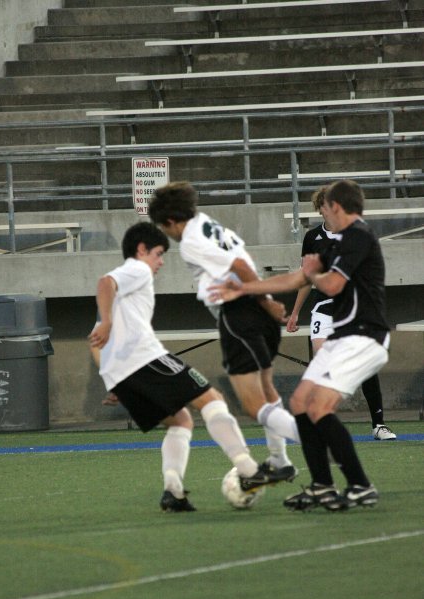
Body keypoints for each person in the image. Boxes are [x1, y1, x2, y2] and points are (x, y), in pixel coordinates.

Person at [209, 180, 390, 511]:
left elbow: (332, 285)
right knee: (301, 402)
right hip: (343, 336)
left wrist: (313, 274)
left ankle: (361, 485)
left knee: (319, 407)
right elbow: (296, 279)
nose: (321, 211)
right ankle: (322, 486)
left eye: (325, 207)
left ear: (336, 207)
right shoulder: (335, 242)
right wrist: (245, 291)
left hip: (366, 336)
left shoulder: (359, 237)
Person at [88, 221, 287, 513]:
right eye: (158, 254)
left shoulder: (124, 294)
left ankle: (173, 492)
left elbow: (94, 340)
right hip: (146, 358)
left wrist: (114, 379)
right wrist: (107, 322)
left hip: (122, 371)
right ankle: (248, 469)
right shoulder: (137, 269)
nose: (160, 262)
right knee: (213, 400)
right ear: (141, 250)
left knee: (181, 421)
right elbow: (105, 282)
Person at [148, 181, 300, 482]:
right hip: (255, 312)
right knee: (267, 392)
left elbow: (240, 266)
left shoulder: (190, 241)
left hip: (240, 313)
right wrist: (266, 302)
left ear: (169, 222)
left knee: (252, 404)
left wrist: (266, 302)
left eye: (163, 228)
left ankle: (323, 442)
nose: (166, 234)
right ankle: (279, 460)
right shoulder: (206, 222)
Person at [286, 186, 396, 441]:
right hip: (324, 308)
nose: (328, 211)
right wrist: (294, 313)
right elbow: (305, 278)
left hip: (353, 310)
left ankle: (378, 424)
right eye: (323, 207)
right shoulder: (313, 237)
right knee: (320, 360)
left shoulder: (356, 235)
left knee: (365, 366)